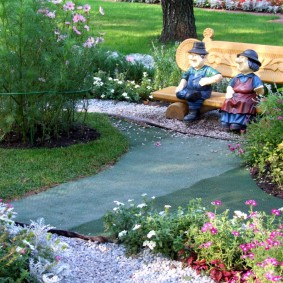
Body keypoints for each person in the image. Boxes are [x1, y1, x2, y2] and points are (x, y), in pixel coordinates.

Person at [175, 42, 222, 122]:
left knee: (194, 97)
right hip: (189, 90)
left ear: (204, 58)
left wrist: (207, 80)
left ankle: (193, 113)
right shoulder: (191, 69)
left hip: (202, 92)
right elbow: (185, 78)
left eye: (195, 56)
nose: (192, 58)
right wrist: (180, 86)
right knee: (179, 93)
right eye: (191, 55)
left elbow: (219, 76)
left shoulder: (207, 69)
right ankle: (187, 95)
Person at [220, 49, 264, 131]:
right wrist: (229, 91)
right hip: (236, 95)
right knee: (228, 101)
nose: (239, 64)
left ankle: (239, 122)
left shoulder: (254, 78)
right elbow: (230, 86)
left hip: (248, 97)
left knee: (243, 102)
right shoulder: (237, 77)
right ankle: (226, 120)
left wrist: (259, 90)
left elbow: (260, 89)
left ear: (251, 64)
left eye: (243, 62)